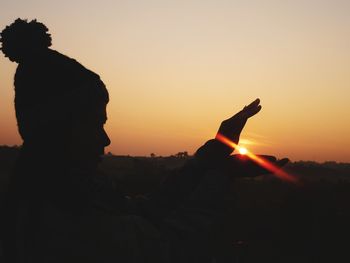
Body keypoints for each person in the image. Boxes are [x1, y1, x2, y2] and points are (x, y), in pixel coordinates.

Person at [1, 18, 285, 263]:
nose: (105, 139)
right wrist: (219, 174)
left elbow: (147, 211)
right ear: (57, 131)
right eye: (94, 124)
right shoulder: (58, 221)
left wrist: (214, 155)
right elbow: (169, 242)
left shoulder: (70, 192)